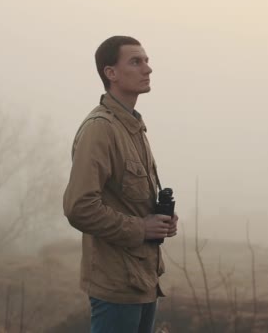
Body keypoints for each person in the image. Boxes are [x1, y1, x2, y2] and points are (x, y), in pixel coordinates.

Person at [63, 35, 178, 333]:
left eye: (147, 61)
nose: (147, 69)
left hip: (143, 279)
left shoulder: (133, 127)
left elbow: (128, 198)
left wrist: (161, 220)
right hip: (115, 284)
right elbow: (79, 207)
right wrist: (141, 228)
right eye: (136, 62)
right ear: (110, 73)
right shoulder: (100, 129)